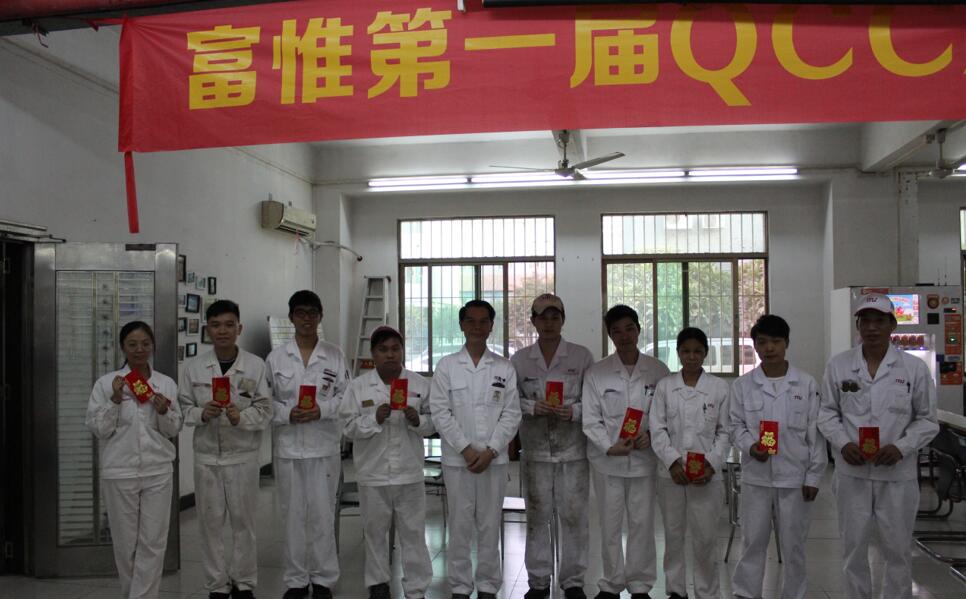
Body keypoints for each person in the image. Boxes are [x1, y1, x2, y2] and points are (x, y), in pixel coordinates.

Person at [819, 293, 938, 599]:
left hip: (897, 474)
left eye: (879, 321)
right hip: (852, 473)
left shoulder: (913, 369)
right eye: (866, 321)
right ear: (858, 325)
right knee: (853, 548)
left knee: (897, 549)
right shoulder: (839, 365)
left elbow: (927, 420)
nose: (872, 328)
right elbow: (826, 413)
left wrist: (901, 447)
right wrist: (843, 443)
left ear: (892, 325)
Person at [179, 300, 272, 599]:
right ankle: (217, 585)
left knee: (244, 524)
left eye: (229, 325)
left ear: (238, 328)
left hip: (243, 456)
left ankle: (244, 582)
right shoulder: (194, 368)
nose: (223, 331)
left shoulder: (255, 366)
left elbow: (265, 409)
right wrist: (201, 414)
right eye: (216, 325)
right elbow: (183, 409)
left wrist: (240, 417)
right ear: (208, 329)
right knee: (210, 525)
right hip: (207, 457)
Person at [429, 299, 522, 599]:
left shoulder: (504, 367)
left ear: (491, 326)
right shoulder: (447, 366)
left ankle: (487, 585)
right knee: (459, 524)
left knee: (489, 524)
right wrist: (466, 450)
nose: (477, 327)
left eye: (484, 321)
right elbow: (440, 412)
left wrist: (491, 450)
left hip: (494, 461)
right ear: (461, 325)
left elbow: (512, 413)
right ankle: (459, 586)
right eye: (471, 321)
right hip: (459, 462)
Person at [730, 314, 827, 599]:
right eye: (762, 342)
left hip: (794, 478)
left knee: (793, 544)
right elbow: (735, 426)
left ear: (787, 343)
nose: (769, 348)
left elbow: (815, 434)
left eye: (775, 341)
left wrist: (814, 477)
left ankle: (793, 594)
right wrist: (750, 446)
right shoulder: (743, 386)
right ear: (755, 346)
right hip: (756, 478)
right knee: (753, 541)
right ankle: (746, 593)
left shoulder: (805, 384)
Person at [85, 321, 183, 599]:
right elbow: (99, 429)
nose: (140, 349)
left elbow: (173, 429)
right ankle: (133, 594)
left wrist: (164, 412)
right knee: (126, 543)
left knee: (153, 541)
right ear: (122, 347)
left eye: (145, 344)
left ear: (153, 346)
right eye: (132, 344)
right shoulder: (107, 383)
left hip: (157, 470)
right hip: (120, 471)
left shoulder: (165, 383)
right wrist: (115, 400)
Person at [266, 290, 351, 599]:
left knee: (322, 514)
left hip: (323, 446)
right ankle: (296, 580)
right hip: (289, 447)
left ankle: (324, 579)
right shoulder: (276, 358)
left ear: (320, 316)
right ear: (291, 317)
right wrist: (287, 413)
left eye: (312, 312)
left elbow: (346, 396)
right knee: (291, 516)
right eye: (300, 312)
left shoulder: (334, 355)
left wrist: (321, 410)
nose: (306, 318)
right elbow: (265, 400)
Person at [339, 326, 435, 599]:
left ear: (402, 351)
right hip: (373, 473)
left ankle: (416, 587)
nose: (390, 355)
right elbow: (347, 427)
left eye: (395, 349)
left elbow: (434, 422)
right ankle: (378, 583)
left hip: (409, 472)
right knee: (374, 532)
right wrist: (374, 419)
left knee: (413, 532)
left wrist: (419, 421)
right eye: (383, 350)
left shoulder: (419, 384)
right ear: (373, 354)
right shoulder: (358, 387)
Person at [582, 304, 670, 599]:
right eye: (616, 331)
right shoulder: (597, 373)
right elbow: (590, 419)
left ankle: (640, 585)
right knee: (609, 524)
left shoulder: (658, 371)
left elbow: (665, 416)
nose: (624, 336)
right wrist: (610, 446)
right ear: (610, 335)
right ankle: (611, 583)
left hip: (644, 462)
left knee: (642, 524)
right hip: (608, 462)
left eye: (629, 328)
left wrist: (651, 435)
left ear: (638, 330)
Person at [510, 293, 594, 599]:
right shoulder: (520, 360)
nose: (549, 323)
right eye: (542, 317)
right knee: (536, 518)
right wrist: (532, 407)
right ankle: (538, 582)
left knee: (574, 517)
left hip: (573, 453)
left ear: (563, 320)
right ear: (533, 321)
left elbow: (593, 402)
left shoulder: (581, 357)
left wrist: (573, 412)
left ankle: (573, 582)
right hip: (535, 453)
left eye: (555, 317)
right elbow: (509, 401)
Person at [649, 327, 729, 599]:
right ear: (678, 353)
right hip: (671, 474)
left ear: (705, 353)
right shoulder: (665, 386)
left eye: (697, 351)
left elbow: (725, 432)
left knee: (705, 537)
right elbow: (657, 428)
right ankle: (676, 590)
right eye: (686, 351)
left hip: (706, 476)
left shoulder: (718, 388)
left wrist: (712, 465)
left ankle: (707, 592)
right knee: (673, 536)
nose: (691, 356)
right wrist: (672, 462)